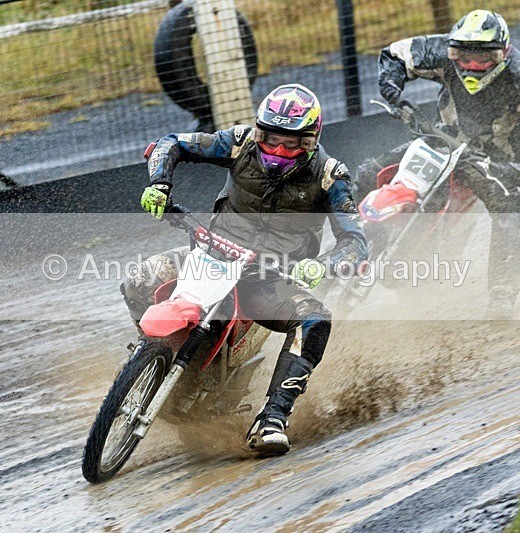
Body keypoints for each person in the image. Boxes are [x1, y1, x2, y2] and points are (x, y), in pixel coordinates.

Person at [122, 84, 368, 455]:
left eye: (291, 143)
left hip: (268, 278)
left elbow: (355, 242)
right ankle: (145, 355)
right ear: (258, 131)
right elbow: (171, 143)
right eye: (271, 139)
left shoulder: (330, 176)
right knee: (139, 279)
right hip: (208, 255)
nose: (278, 151)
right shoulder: (239, 142)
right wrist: (159, 183)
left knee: (315, 319)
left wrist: (322, 265)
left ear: (311, 140)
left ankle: (273, 418)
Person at [355, 9, 520, 316]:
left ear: (502, 54)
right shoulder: (443, 50)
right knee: (368, 172)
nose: (471, 65)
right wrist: (391, 87)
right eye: (463, 57)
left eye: (483, 59)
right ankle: (352, 242)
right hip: (442, 140)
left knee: (509, 205)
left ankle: (501, 296)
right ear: (453, 52)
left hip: (490, 160)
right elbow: (396, 54)